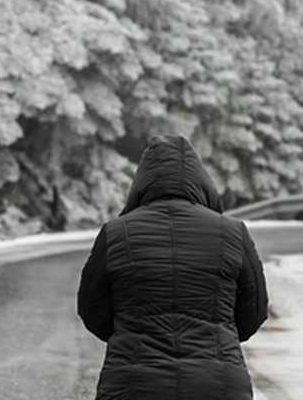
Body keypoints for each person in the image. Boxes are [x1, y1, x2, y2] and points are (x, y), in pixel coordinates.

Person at [77, 134, 268, 400]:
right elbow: (254, 311)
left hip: (132, 383)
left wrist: (131, 333)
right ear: (202, 181)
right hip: (218, 383)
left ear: (141, 183)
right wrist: (219, 337)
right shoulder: (232, 232)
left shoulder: (116, 233)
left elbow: (91, 309)